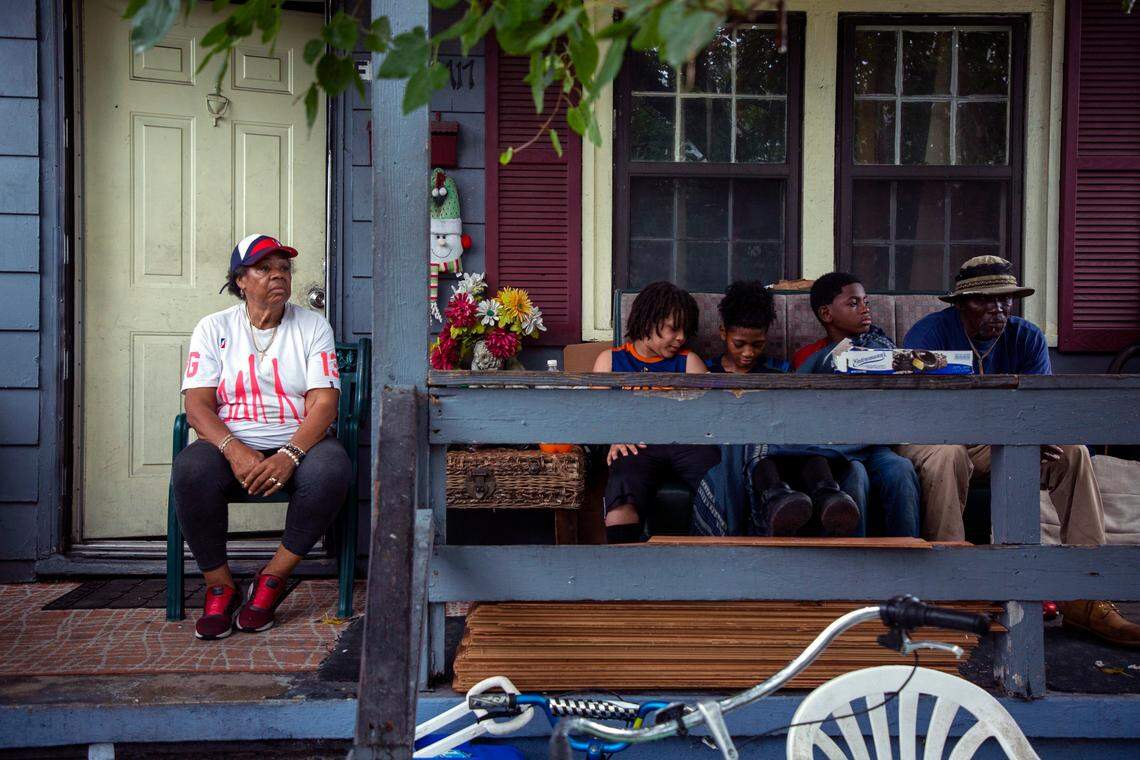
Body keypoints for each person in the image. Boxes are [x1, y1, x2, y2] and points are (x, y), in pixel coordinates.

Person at [898, 255, 1139, 647]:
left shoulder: (1026, 337)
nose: (998, 310)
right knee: (948, 456)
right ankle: (956, 590)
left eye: (1005, 300)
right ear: (960, 304)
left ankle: (1086, 594)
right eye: (985, 301)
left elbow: (1040, 406)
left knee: (1074, 452)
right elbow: (926, 414)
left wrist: (1034, 434)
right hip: (940, 436)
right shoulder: (928, 335)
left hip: (1004, 436)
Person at [173, 234, 352, 640]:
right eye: (264, 269)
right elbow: (198, 406)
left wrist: (289, 454)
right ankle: (220, 586)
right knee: (190, 469)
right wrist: (234, 451)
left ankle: (272, 579)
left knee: (332, 468)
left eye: (284, 269)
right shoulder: (214, 328)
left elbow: (324, 405)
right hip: (229, 442)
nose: (278, 276)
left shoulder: (312, 326)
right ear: (240, 280)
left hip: (299, 441)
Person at [696, 281, 864, 537]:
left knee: (803, 439)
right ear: (723, 333)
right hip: (735, 451)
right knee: (750, 440)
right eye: (739, 344)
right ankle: (775, 498)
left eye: (758, 344)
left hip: (785, 450)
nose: (748, 353)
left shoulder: (780, 371)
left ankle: (828, 496)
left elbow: (794, 414)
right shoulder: (707, 372)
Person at [795, 273, 921, 538]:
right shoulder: (816, 359)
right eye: (854, 303)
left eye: (866, 302)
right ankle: (852, 568)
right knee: (856, 475)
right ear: (827, 314)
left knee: (900, 469)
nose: (865, 309)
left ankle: (906, 557)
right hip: (836, 451)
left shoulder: (881, 348)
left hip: (875, 445)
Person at [594, 281, 718, 543]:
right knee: (623, 481)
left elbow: (713, 412)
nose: (682, 337)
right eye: (674, 329)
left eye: (686, 330)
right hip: (636, 444)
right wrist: (613, 435)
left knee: (717, 477)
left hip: (685, 443)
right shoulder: (611, 360)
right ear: (649, 322)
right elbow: (595, 411)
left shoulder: (688, 361)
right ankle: (624, 570)